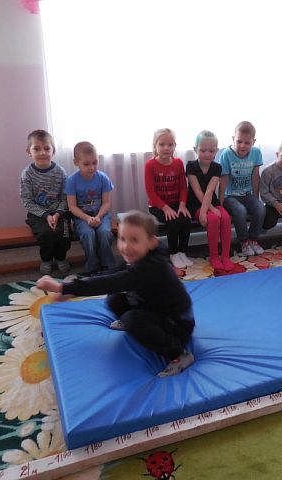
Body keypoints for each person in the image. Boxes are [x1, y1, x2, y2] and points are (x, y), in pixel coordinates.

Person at [37, 210, 195, 377]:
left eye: (134, 240)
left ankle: (179, 354)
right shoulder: (141, 254)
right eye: (122, 239)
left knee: (131, 319)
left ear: (151, 242)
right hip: (153, 305)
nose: (126, 246)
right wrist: (71, 290)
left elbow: (110, 282)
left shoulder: (151, 267)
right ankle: (139, 324)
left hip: (177, 324)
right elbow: (112, 275)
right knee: (114, 298)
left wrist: (62, 288)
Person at [20, 129, 72, 275]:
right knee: (45, 234)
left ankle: (61, 257)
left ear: (53, 151)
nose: (42, 153)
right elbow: (27, 200)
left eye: (47, 148)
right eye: (37, 149)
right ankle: (46, 259)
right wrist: (46, 215)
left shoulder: (60, 172)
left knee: (63, 233)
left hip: (59, 211)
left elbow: (66, 197)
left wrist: (57, 214)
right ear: (28, 152)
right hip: (38, 214)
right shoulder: (27, 174)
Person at [145, 128, 193, 270]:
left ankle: (182, 252)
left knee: (186, 219)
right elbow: (151, 192)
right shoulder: (150, 165)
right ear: (155, 146)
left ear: (175, 146)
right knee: (173, 220)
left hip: (176, 203)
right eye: (162, 144)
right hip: (157, 206)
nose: (166, 148)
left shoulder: (178, 163)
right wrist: (165, 208)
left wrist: (182, 205)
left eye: (170, 144)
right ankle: (173, 253)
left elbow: (183, 187)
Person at [65, 141, 116, 273]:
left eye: (95, 163)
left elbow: (106, 203)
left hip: (101, 214)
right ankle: (92, 265)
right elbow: (72, 207)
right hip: (81, 217)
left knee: (104, 233)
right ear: (76, 162)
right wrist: (87, 218)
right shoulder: (72, 181)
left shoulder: (103, 178)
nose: (92, 167)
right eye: (86, 164)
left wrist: (98, 217)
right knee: (88, 234)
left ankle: (108, 264)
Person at [186, 130, 234, 271]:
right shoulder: (191, 166)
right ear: (195, 149)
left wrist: (212, 207)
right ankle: (214, 256)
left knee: (225, 218)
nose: (207, 154)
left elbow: (209, 191)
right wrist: (205, 211)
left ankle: (225, 256)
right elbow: (198, 191)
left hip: (211, 200)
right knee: (213, 219)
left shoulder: (217, 167)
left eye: (211, 151)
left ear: (216, 151)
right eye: (203, 150)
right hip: (196, 204)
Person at [218, 121, 266, 257]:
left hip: (247, 195)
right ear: (233, 139)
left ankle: (253, 239)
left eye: (247, 142)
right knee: (240, 211)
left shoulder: (256, 153)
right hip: (230, 196)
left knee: (260, 208)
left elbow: (255, 177)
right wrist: (220, 205)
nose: (243, 145)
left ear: (253, 142)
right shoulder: (227, 154)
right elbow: (223, 180)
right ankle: (244, 241)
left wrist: (256, 199)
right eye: (239, 141)